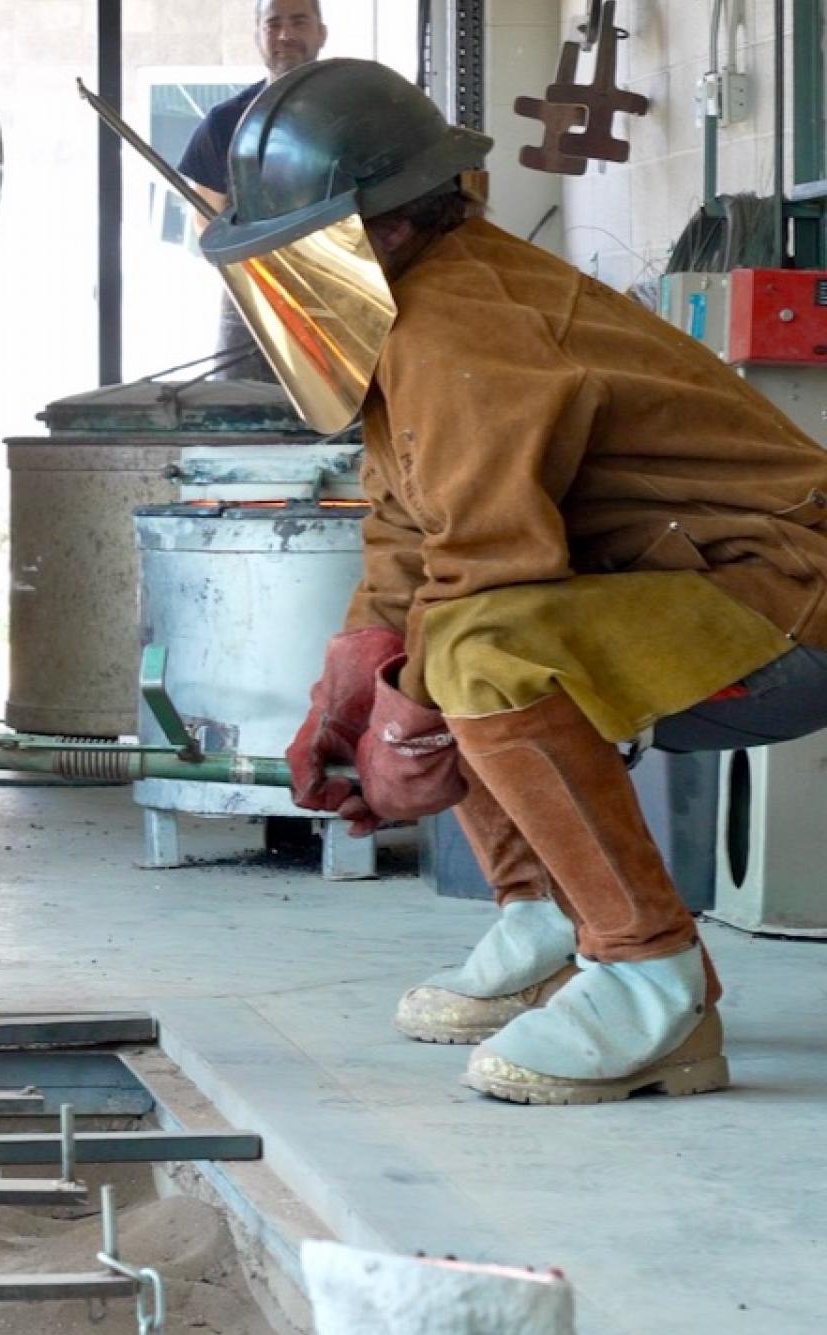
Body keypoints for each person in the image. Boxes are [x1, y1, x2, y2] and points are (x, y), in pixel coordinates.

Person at [211, 58, 827, 1105]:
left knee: (479, 650)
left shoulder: (461, 325)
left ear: (382, 227)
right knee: (447, 644)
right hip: (698, 589)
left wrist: (401, 730)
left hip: (780, 608)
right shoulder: (418, 305)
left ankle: (648, 983)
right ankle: (550, 917)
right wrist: (346, 699)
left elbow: (491, 566)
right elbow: (412, 530)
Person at [174, 0, 327, 380]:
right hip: (252, 302)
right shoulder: (224, 122)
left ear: (321, 32)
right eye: (273, 24)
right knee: (238, 414)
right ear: (258, 37)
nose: (285, 35)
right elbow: (208, 226)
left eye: (299, 22)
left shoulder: (361, 113)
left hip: (344, 294)